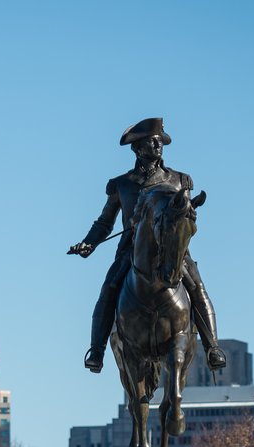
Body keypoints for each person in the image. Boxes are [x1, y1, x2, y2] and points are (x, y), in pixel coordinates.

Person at [68, 117, 226, 375]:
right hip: (132, 252)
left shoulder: (179, 181)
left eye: (160, 141)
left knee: (197, 287)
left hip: (172, 252)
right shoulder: (122, 184)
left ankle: (213, 347)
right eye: (152, 141)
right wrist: (89, 243)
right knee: (108, 289)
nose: (158, 144)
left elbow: (186, 219)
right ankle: (96, 349)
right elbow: (105, 222)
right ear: (137, 148)